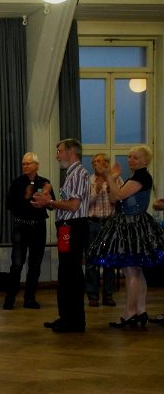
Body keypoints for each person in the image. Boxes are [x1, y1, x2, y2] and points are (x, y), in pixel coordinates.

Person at [87, 145, 164, 328]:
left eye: (135, 157)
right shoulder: (135, 177)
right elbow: (114, 199)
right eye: (129, 157)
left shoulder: (141, 177)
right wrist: (112, 178)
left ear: (145, 161)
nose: (131, 160)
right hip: (130, 224)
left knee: (131, 271)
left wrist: (108, 177)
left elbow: (119, 195)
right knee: (135, 270)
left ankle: (130, 313)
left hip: (133, 225)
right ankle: (140, 311)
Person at [32, 139, 90, 333]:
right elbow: (68, 203)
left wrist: (50, 202)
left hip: (73, 227)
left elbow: (73, 205)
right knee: (66, 273)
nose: (57, 155)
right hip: (67, 228)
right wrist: (49, 202)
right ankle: (66, 317)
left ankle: (75, 321)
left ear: (71, 152)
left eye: (59, 151)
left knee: (71, 273)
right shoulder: (71, 173)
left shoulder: (79, 173)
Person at [3, 152, 52, 310]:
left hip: (38, 227)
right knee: (17, 264)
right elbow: (9, 205)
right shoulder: (17, 183)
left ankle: (30, 298)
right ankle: (10, 298)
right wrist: (26, 197)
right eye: (23, 163)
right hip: (21, 226)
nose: (25, 166)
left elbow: (51, 205)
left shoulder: (44, 182)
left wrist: (46, 196)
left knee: (35, 265)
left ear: (36, 165)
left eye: (28, 163)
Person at [84, 153, 121, 308]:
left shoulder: (116, 179)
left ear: (106, 163)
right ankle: (93, 296)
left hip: (110, 223)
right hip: (93, 223)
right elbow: (86, 203)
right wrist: (98, 188)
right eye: (94, 162)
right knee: (92, 261)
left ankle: (108, 295)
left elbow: (119, 199)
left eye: (99, 161)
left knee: (109, 261)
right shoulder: (88, 180)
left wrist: (110, 182)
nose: (96, 164)